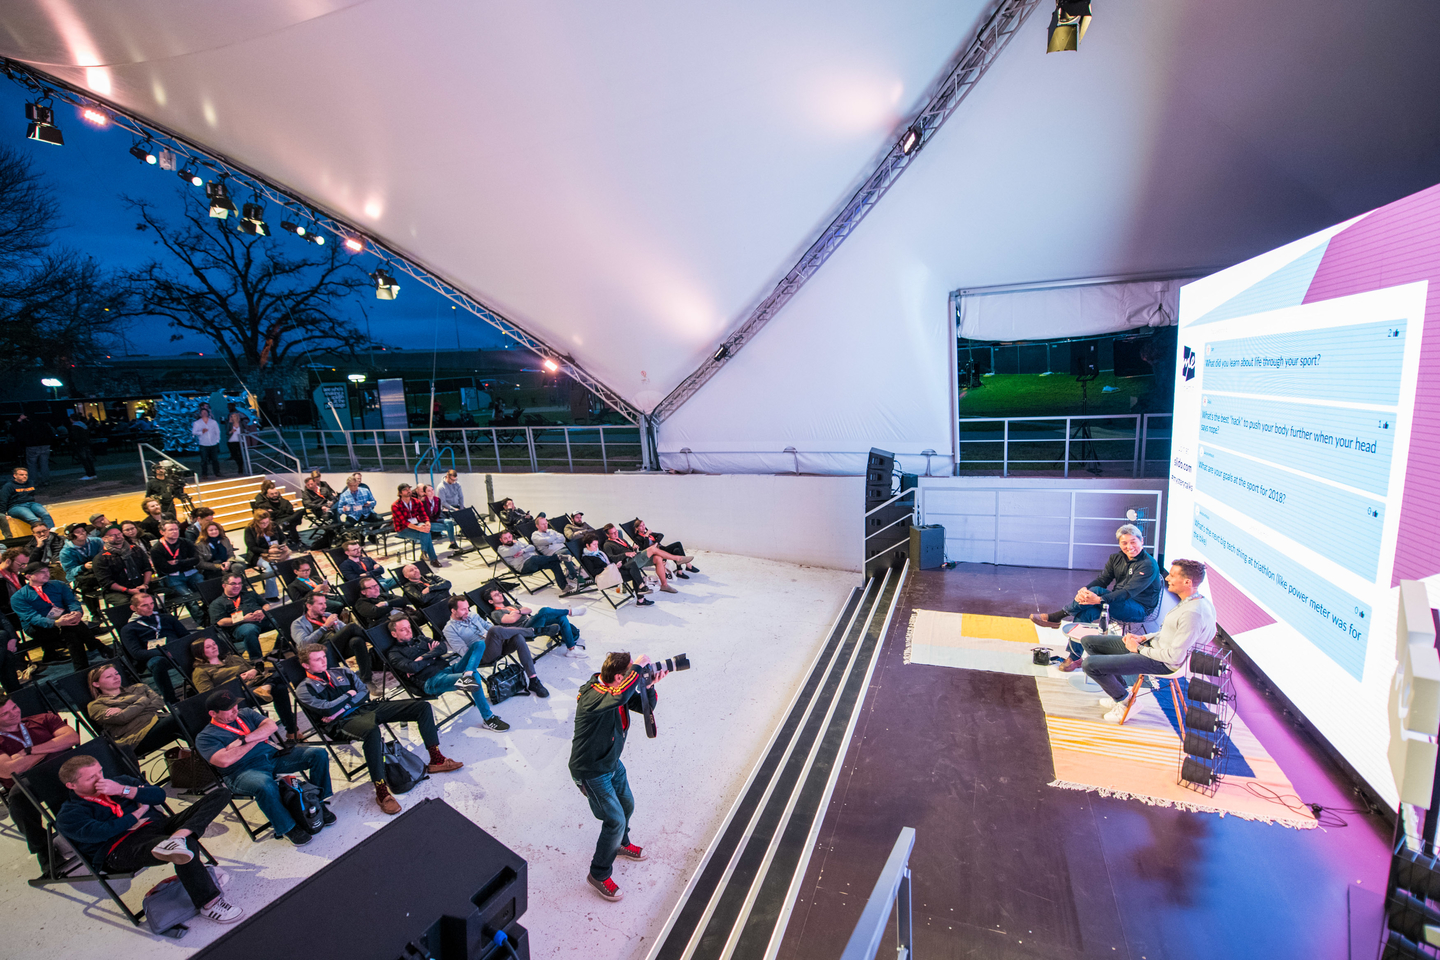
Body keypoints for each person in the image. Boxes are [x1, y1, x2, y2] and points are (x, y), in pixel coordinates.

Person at [56, 754, 243, 922]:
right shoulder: (70, 814)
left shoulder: (119, 782)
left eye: (100, 772)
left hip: (158, 827)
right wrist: (136, 814)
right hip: (121, 847)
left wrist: (123, 790)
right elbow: (101, 832)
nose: (100, 780)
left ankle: (178, 836)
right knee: (186, 845)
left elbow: (158, 795)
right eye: (91, 778)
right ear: (72, 785)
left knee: (221, 793)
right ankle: (210, 903)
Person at [293, 643, 464, 815]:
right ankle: (382, 792)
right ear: (306, 665)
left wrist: (341, 707)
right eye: (317, 659)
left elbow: (363, 692)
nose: (323, 661)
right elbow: (327, 710)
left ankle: (436, 759)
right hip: (340, 723)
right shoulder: (304, 689)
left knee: (422, 707)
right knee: (371, 731)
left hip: (364, 709)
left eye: (324, 657)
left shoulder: (342, 672)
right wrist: (348, 696)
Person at [570, 651, 665, 901]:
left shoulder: (616, 690)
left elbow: (645, 707)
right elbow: (621, 695)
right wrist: (637, 668)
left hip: (611, 761)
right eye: (631, 675)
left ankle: (621, 843)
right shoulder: (592, 695)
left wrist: (649, 686)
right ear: (620, 676)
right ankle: (598, 874)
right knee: (615, 819)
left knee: (627, 805)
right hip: (592, 770)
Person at [1083, 559, 1217, 722]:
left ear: (1187, 582)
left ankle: (1126, 702)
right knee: (1089, 642)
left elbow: (1174, 657)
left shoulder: (1193, 614)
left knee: (1090, 665)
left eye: (1172, 576)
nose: (1167, 578)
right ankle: (1121, 692)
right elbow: (1168, 631)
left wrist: (1138, 649)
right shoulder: (1194, 600)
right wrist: (1143, 638)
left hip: (1162, 661)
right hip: (1152, 647)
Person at [195, 689, 334, 846]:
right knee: (264, 785)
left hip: (272, 757)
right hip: (242, 771)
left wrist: (243, 740)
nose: (235, 710)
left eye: (235, 705)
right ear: (213, 713)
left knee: (318, 754)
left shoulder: (245, 713)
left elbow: (271, 726)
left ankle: (317, 803)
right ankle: (288, 827)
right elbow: (224, 761)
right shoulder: (206, 737)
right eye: (229, 709)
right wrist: (258, 737)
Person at [1034, 524, 1164, 670]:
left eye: (1133, 542)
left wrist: (1099, 599)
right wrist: (1085, 590)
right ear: (1119, 543)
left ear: (1142, 541)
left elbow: (1128, 592)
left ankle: (1058, 616)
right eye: (1124, 543)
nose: (1129, 546)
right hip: (1116, 603)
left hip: (1138, 608)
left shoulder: (1148, 565)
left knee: (1097, 592)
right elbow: (1103, 580)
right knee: (1085, 612)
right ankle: (1075, 658)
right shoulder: (1116, 558)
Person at [0, 692, 81, 878]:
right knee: (18, 797)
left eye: (14, 707)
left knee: (113, 751)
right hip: (31, 782)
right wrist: (53, 746)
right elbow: (8, 770)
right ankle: (44, 849)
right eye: (5, 713)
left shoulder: (43, 718)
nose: (14, 713)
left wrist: (29, 751)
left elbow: (72, 738)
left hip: (67, 768)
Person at [381, 613, 511, 726]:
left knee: (479, 644)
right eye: (403, 630)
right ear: (394, 633)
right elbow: (412, 667)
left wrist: (424, 657)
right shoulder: (394, 653)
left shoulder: (420, 639)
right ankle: (488, 718)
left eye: (409, 627)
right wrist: (432, 654)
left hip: (448, 670)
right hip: (432, 681)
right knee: (474, 678)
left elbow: (442, 647)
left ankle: (468, 672)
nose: (409, 631)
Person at [190, 636, 297, 740]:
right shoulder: (200, 672)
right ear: (199, 653)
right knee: (280, 688)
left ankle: (269, 685)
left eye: (214, 644)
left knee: (285, 668)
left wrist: (254, 671)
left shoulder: (233, 658)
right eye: (208, 647)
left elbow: (256, 671)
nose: (214, 647)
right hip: (238, 693)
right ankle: (292, 731)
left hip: (257, 682)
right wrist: (237, 680)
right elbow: (209, 694)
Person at [443, 596, 547, 696]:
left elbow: (489, 626)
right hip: (482, 655)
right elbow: (464, 653)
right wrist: (487, 640)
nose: (467, 611)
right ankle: (533, 631)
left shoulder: (472, 615)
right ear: (453, 611)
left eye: (468, 608)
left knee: (518, 637)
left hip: (496, 645)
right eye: (463, 609)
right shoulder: (450, 630)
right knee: (494, 630)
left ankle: (533, 680)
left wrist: (495, 637)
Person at [12, 563, 110, 669]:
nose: (46, 574)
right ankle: (96, 646)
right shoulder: (19, 597)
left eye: (47, 571)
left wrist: (76, 612)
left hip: (63, 620)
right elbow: (32, 618)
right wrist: (56, 623)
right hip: (38, 627)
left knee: (71, 633)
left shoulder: (59, 585)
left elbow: (72, 602)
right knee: (70, 628)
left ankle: (82, 668)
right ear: (28, 576)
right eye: (41, 572)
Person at [86, 664, 182, 756]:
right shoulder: (95, 706)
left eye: (116, 674)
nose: (116, 678)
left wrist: (128, 710)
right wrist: (143, 700)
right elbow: (122, 718)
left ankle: (195, 756)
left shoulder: (138, 688)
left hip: (158, 721)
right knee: (183, 714)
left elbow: (159, 703)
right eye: (108, 677)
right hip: (137, 737)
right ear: (96, 684)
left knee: (187, 720)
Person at [291, 592, 377, 693]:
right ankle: (377, 643)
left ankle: (366, 680)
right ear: (309, 606)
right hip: (321, 654)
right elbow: (303, 644)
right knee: (352, 627)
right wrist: (325, 627)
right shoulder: (298, 624)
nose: (325, 606)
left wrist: (336, 625)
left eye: (325, 603)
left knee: (357, 641)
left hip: (338, 648)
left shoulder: (327, 615)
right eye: (320, 604)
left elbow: (344, 631)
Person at [118, 592, 187, 703]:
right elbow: (136, 653)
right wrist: (164, 653)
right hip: (155, 655)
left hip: (176, 649)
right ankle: (171, 700)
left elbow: (185, 636)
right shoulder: (129, 629)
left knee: (198, 647)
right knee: (157, 663)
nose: (150, 607)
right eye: (144, 605)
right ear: (133, 608)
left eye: (151, 603)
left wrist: (177, 648)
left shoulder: (167, 618)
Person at [483, 587, 587, 657]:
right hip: (524, 629)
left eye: (500, 593)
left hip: (531, 621)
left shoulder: (512, 606)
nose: (500, 595)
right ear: (491, 601)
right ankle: (570, 611)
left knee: (561, 618)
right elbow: (512, 620)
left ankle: (571, 649)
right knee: (544, 611)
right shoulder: (495, 613)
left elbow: (528, 610)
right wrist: (520, 611)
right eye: (496, 595)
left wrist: (516, 611)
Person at [150, 520, 205, 618]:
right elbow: (166, 568)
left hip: (192, 573)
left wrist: (178, 562)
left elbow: (196, 560)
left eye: (176, 529)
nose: (175, 531)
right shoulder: (156, 549)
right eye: (171, 530)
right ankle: (202, 622)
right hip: (174, 577)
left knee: (206, 592)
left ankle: (211, 615)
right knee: (190, 600)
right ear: (162, 532)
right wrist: (186, 562)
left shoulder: (186, 542)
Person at [209, 573, 272, 659]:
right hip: (240, 626)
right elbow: (220, 622)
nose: (237, 586)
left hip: (262, 620)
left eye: (239, 583)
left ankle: (279, 648)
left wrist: (262, 611)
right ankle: (257, 660)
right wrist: (243, 619)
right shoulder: (217, 603)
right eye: (233, 584)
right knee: (250, 630)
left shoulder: (250, 594)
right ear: (224, 585)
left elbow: (266, 604)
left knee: (283, 617)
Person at [602, 523, 675, 594]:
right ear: (607, 535)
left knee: (658, 558)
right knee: (652, 549)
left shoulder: (621, 539)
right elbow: (612, 558)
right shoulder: (607, 545)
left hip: (634, 557)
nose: (616, 534)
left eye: (616, 531)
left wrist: (633, 548)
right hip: (628, 562)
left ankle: (664, 585)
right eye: (613, 533)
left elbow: (629, 549)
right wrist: (625, 554)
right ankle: (677, 559)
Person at [498, 530, 577, 595]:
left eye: (509, 537)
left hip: (535, 561)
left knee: (554, 564)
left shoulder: (517, 543)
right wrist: (518, 545)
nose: (508, 540)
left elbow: (532, 547)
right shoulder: (501, 549)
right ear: (501, 540)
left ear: (511, 536)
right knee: (534, 559)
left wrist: (524, 550)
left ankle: (564, 586)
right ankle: (557, 557)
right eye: (505, 538)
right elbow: (513, 550)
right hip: (524, 566)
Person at [94, 524, 155, 607]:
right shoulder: (101, 558)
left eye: (119, 534)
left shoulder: (135, 549)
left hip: (140, 585)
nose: (118, 536)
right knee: (127, 603)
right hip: (118, 591)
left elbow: (147, 568)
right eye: (112, 535)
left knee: (161, 594)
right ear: (104, 539)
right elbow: (106, 582)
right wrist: (128, 590)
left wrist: (145, 584)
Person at [391, 483, 449, 566]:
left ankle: (425, 553)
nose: (408, 491)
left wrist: (427, 523)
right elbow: (404, 522)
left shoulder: (416, 502)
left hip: (416, 526)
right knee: (427, 534)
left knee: (425, 529)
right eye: (405, 490)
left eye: (409, 489)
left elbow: (423, 515)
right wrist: (419, 528)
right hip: (403, 529)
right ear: (400, 493)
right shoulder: (396, 505)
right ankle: (432, 559)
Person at [582, 536, 652, 605]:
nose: (596, 546)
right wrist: (606, 568)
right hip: (605, 576)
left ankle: (641, 590)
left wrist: (616, 565)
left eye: (597, 544)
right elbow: (593, 572)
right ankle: (641, 596)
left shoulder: (599, 553)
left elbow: (609, 561)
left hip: (612, 570)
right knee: (634, 574)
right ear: (587, 545)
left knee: (633, 566)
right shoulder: (586, 558)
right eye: (594, 544)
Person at [530, 516, 588, 586]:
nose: (545, 525)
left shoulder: (551, 531)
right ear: (537, 526)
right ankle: (573, 576)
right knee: (566, 553)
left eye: (546, 523)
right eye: (543, 524)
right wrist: (554, 539)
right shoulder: (535, 535)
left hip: (562, 548)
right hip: (552, 553)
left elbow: (563, 538)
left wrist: (552, 540)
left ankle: (582, 571)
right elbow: (548, 540)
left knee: (578, 548)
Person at [242, 510, 286, 601]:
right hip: (258, 555)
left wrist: (282, 546)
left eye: (267, 522)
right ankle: (271, 595)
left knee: (290, 562)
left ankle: (295, 588)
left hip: (276, 552)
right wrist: (268, 550)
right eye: (262, 523)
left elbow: (283, 538)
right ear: (256, 522)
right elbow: (251, 547)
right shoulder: (249, 529)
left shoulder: (273, 525)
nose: (265, 525)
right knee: (270, 567)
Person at [632, 519, 699, 577]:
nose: (643, 527)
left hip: (661, 548)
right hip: (655, 553)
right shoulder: (638, 538)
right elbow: (645, 548)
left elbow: (661, 535)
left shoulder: (649, 533)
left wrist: (656, 543)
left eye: (643, 525)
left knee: (676, 550)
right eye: (641, 526)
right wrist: (646, 537)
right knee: (678, 543)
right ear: (637, 528)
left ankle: (679, 571)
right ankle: (688, 564)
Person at [1, 466, 55, 534]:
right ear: (15, 475)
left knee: (45, 514)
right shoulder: (8, 486)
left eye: (26, 475)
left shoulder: (30, 483)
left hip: (31, 503)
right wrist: (3, 514)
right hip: (15, 506)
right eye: (21, 475)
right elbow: (3, 500)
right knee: (33, 519)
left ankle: (51, 532)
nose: (24, 476)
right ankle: (42, 534)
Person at [250, 480, 303, 548]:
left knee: (300, 511)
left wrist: (286, 507)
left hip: (284, 515)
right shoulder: (262, 498)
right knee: (292, 523)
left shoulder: (277, 496)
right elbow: (263, 508)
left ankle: (287, 522)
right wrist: (273, 510)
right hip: (275, 518)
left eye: (275, 493)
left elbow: (284, 504)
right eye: (272, 493)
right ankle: (297, 541)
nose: (274, 495)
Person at [13, 413, 54, 486]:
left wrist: (19, 420)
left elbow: (14, 429)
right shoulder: (44, 424)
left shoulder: (26, 425)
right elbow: (51, 433)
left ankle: (33, 481)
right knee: (44, 464)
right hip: (45, 445)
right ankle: (46, 480)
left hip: (31, 445)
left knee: (32, 464)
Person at [415, 483, 459, 549]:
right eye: (429, 491)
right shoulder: (422, 501)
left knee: (449, 522)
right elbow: (423, 515)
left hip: (435, 519)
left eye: (432, 490)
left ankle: (452, 543)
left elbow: (438, 512)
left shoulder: (437, 500)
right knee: (446, 527)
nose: (431, 492)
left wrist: (436, 519)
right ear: (425, 493)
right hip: (426, 521)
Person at [191, 407, 223, 479]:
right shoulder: (197, 423)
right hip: (203, 444)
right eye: (202, 413)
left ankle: (217, 472)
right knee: (204, 460)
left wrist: (217, 440)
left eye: (205, 413)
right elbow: (194, 432)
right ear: (200, 414)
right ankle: (204, 474)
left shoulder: (213, 422)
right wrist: (201, 432)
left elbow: (217, 432)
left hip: (213, 443)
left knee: (215, 459)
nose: (204, 414)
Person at [67, 413, 97, 480]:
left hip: (80, 444)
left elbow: (75, 436)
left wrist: (70, 440)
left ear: (71, 419)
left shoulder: (75, 427)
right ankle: (93, 473)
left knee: (84, 459)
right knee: (89, 459)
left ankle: (89, 474)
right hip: (86, 443)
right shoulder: (83, 425)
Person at [225, 403, 247, 475]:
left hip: (239, 441)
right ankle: (239, 464)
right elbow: (227, 432)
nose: (233, 417)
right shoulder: (230, 424)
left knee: (241, 454)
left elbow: (245, 429)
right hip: (231, 441)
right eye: (232, 416)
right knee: (235, 454)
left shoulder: (241, 423)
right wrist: (231, 431)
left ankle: (241, 467)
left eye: (234, 416)